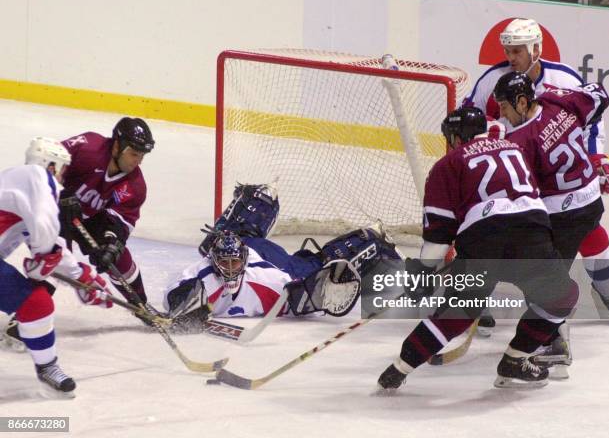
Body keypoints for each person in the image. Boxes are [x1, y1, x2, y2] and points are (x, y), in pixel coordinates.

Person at [377, 107, 579, 391]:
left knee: (458, 312)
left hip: (483, 238)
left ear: (457, 137)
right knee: (563, 296)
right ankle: (515, 358)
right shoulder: (514, 148)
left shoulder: (447, 164)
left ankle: (397, 371)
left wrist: (422, 274)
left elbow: (439, 235)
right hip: (530, 231)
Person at [463, 17, 609, 327]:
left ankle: (602, 293)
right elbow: (468, 120)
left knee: (586, 233)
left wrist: (595, 157)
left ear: (535, 49)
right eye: (508, 51)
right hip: (514, 179)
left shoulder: (563, 78)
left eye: (517, 51)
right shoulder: (494, 80)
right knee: (490, 235)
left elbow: (592, 123)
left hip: (555, 181)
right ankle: (476, 300)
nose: (511, 58)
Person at [493, 72, 609, 371]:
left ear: (521, 101)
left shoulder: (520, 141)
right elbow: (600, 96)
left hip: (564, 217)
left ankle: (554, 344)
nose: (503, 115)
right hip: (591, 201)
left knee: (547, 284)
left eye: (505, 107)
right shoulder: (557, 101)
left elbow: (521, 194)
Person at [162, 184, 402, 329]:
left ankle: (373, 240)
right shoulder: (205, 274)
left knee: (312, 268)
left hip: (269, 259)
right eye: (224, 263)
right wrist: (182, 305)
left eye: (234, 263)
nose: (230, 268)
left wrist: (308, 293)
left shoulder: (267, 280)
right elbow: (176, 292)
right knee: (218, 241)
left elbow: (302, 296)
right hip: (245, 245)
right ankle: (261, 199)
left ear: (243, 262)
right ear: (215, 263)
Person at [0, 137, 112, 397]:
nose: (61, 177)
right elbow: (44, 224)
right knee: (36, 303)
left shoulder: (18, 188)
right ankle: (47, 367)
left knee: (36, 303)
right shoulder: (38, 177)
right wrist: (45, 255)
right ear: (50, 165)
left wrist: (83, 276)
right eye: (60, 169)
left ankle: (48, 367)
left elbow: (44, 234)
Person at [57, 117, 154, 305]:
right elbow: (49, 161)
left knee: (117, 256)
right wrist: (60, 192)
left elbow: (120, 221)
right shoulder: (88, 148)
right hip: (53, 210)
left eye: (142, 155)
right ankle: (24, 318)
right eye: (134, 154)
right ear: (117, 146)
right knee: (56, 261)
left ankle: (141, 304)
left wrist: (112, 244)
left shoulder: (135, 186)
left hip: (87, 218)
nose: (138, 161)